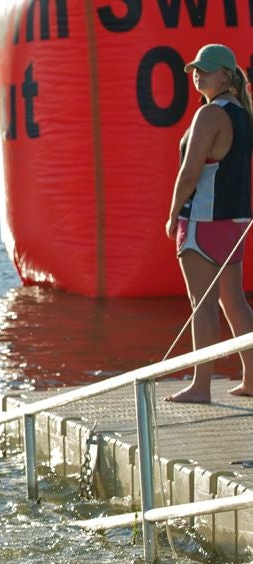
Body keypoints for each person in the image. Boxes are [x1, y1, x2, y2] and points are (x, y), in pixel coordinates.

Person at [164, 43, 253, 403]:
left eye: (207, 69)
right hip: (235, 222)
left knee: (202, 304)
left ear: (227, 76)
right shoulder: (242, 114)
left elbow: (190, 174)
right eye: (195, 69)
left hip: (203, 220)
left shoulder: (210, 115)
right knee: (234, 302)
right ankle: (251, 379)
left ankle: (201, 386)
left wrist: (172, 215)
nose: (198, 74)